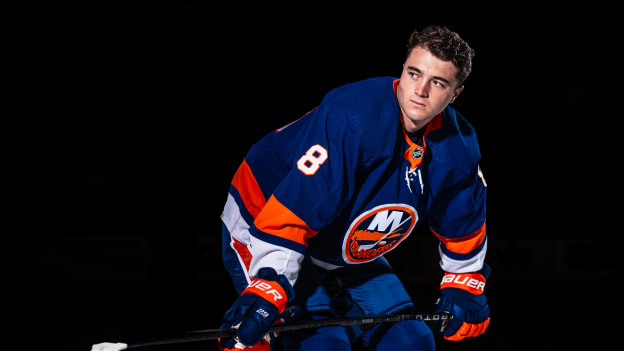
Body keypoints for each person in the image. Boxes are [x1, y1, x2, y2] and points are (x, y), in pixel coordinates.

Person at [219, 25, 490, 351]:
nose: (420, 90)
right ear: (402, 70)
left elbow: (463, 223)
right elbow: (298, 206)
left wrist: (465, 282)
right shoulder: (354, 117)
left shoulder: (458, 146)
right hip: (266, 216)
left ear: (455, 94)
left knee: (411, 342)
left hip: (339, 235)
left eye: (438, 82)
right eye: (414, 74)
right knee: (319, 344)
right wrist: (268, 285)